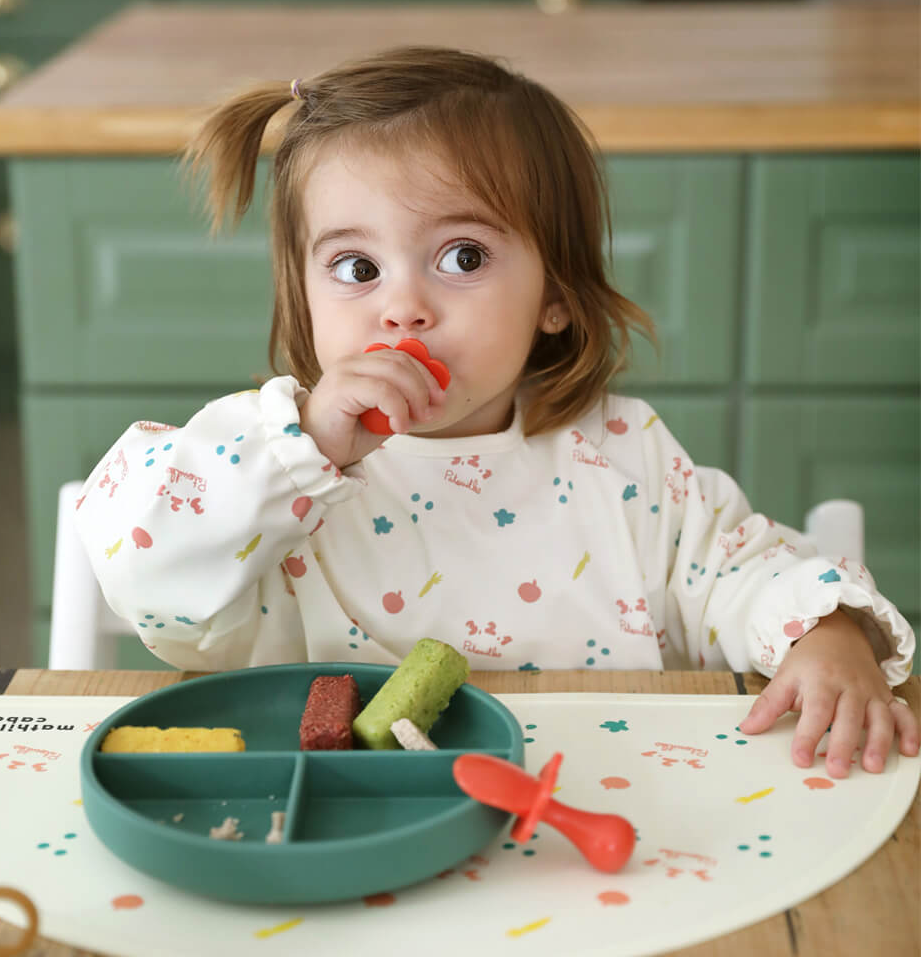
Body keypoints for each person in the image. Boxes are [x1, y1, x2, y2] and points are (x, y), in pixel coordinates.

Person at [75, 46, 917, 778]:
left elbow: (745, 573)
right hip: (352, 833)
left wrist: (825, 634)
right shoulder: (270, 479)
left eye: (462, 256)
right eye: (356, 268)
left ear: (554, 293)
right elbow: (143, 573)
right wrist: (300, 451)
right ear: (302, 290)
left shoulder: (624, 458)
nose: (401, 307)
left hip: (598, 810)